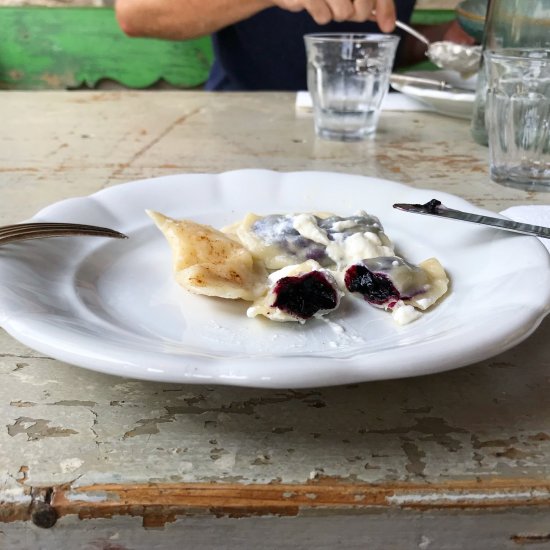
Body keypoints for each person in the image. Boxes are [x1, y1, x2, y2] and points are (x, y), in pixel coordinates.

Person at [115, 0, 475, 91]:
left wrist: (443, 39)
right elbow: (137, 13)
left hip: (380, 123)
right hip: (246, 112)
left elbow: (375, 37)